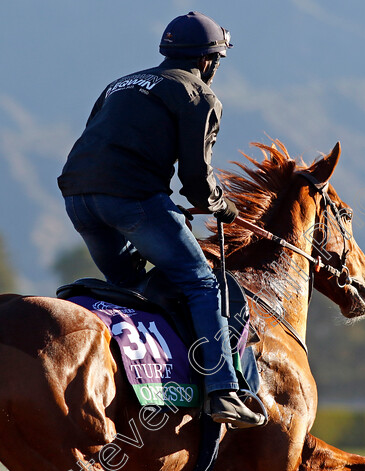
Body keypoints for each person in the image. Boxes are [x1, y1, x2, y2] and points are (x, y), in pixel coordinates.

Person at [57, 12, 264, 429]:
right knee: (202, 284)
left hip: (78, 200)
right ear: (209, 61)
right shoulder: (199, 96)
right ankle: (223, 390)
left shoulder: (120, 84)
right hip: (131, 201)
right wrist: (222, 206)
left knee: (132, 285)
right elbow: (196, 182)